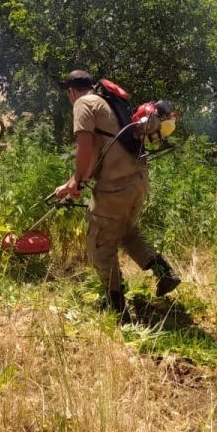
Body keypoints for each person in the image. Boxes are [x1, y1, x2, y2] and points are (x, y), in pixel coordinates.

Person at [53, 70, 181, 314]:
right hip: (138, 180)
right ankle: (164, 273)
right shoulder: (108, 102)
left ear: (71, 91)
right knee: (126, 231)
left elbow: (85, 147)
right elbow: (101, 150)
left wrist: (76, 180)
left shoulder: (83, 103)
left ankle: (116, 306)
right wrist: (75, 182)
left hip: (116, 186)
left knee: (100, 243)